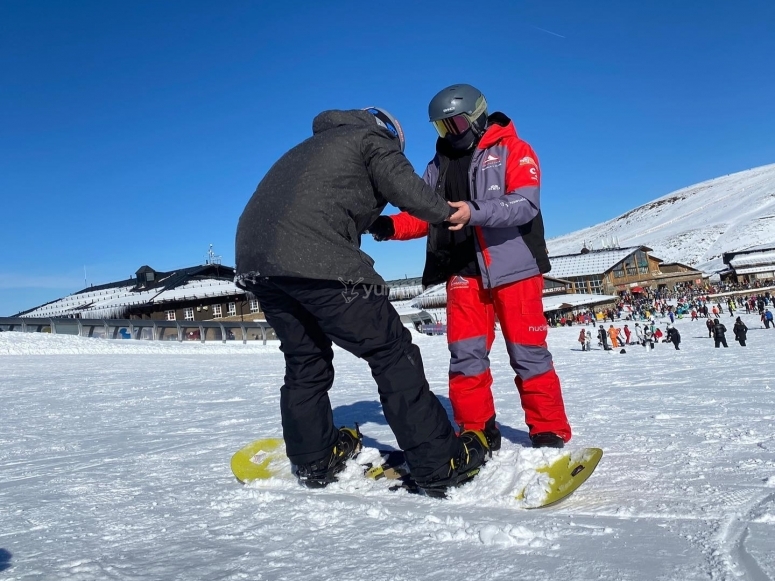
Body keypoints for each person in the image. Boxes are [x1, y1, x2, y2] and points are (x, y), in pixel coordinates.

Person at [235, 107, 489, 494]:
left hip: (257, 263)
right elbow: (409, 191)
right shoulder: (369, 140)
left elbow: (316, 203)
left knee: (305, 359)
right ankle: (440, 463)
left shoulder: (308, 150)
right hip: (317, 259)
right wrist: (447, 212)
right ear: (389, 133)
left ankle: (313, 459)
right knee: (391, 351)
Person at [367, 84, 571, 449]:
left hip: (515, 271)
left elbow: (524, 204)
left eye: (456, 124)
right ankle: (476, 429)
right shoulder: (438, 166)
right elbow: (424, 215)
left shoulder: (513, 150)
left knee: (528, 353)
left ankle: (548, 429)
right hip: (462, 272)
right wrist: (390, 227)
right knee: (465, 356)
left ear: (477, 117)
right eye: (441, 128)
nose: (449, 134)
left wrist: (473, 212)